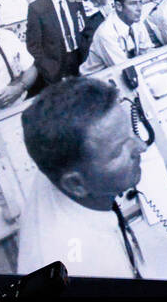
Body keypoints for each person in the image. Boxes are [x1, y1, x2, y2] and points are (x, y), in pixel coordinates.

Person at [16, 78, 158, 278]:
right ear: (75, 184)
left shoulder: (57, 160)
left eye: (130, 134)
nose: (142, 147)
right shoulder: (88, 268)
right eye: (118, 152)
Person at [26, 0, 89, 86]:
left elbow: (83, 24)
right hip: (58, 64)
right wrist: (49, 68)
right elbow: (33, 45)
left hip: (81, 58)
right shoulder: (37, 7)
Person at [82, 0, 160, 73]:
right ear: (119, 6)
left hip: (124, 69)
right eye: (133, 4)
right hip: (96, 80)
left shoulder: (135, 21)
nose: (139, 8)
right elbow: (123, 70)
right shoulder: (106, 33)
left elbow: (146, 51)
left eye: (140, 2)